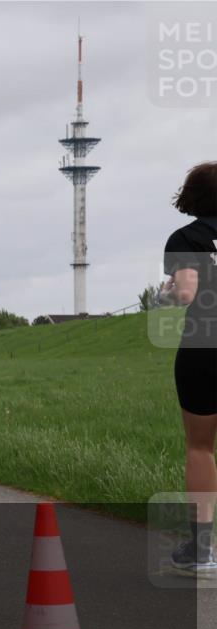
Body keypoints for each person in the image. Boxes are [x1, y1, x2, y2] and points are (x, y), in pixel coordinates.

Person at [162, 161, 217, 573]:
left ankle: (201, 551)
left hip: (205, 349)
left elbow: (185, 294)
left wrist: (164, 295)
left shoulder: (187, 238)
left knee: (201, 447)